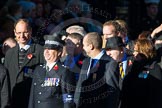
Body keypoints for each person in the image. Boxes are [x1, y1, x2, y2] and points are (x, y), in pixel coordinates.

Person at [4, 18, 44, 108]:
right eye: (19, 33)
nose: (22, 36)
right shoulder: (9, 53)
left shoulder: (40, 51)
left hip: (32, 100)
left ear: (30, 31)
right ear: (14, 32)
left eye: (25, 32)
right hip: (13, 101)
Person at [74, 32, 120, 108]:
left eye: (84, 45)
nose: (83, 48)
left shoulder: (110, 63)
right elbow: (80, 86)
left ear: (91, 46)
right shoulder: (86, 62)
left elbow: (112, 92)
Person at [28, 35, 75, 108]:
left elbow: (68, 99)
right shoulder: (38, 69)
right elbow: (33, 96)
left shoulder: (64, 71)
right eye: (45, 49)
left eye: (50, 49)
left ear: (59, 52)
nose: (46, 52)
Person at [120, 39, 162, 108]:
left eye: (136, 51)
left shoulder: (154, 68)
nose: (134, 53)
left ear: (144, 52)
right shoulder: (133, 66)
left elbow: (156, 96)